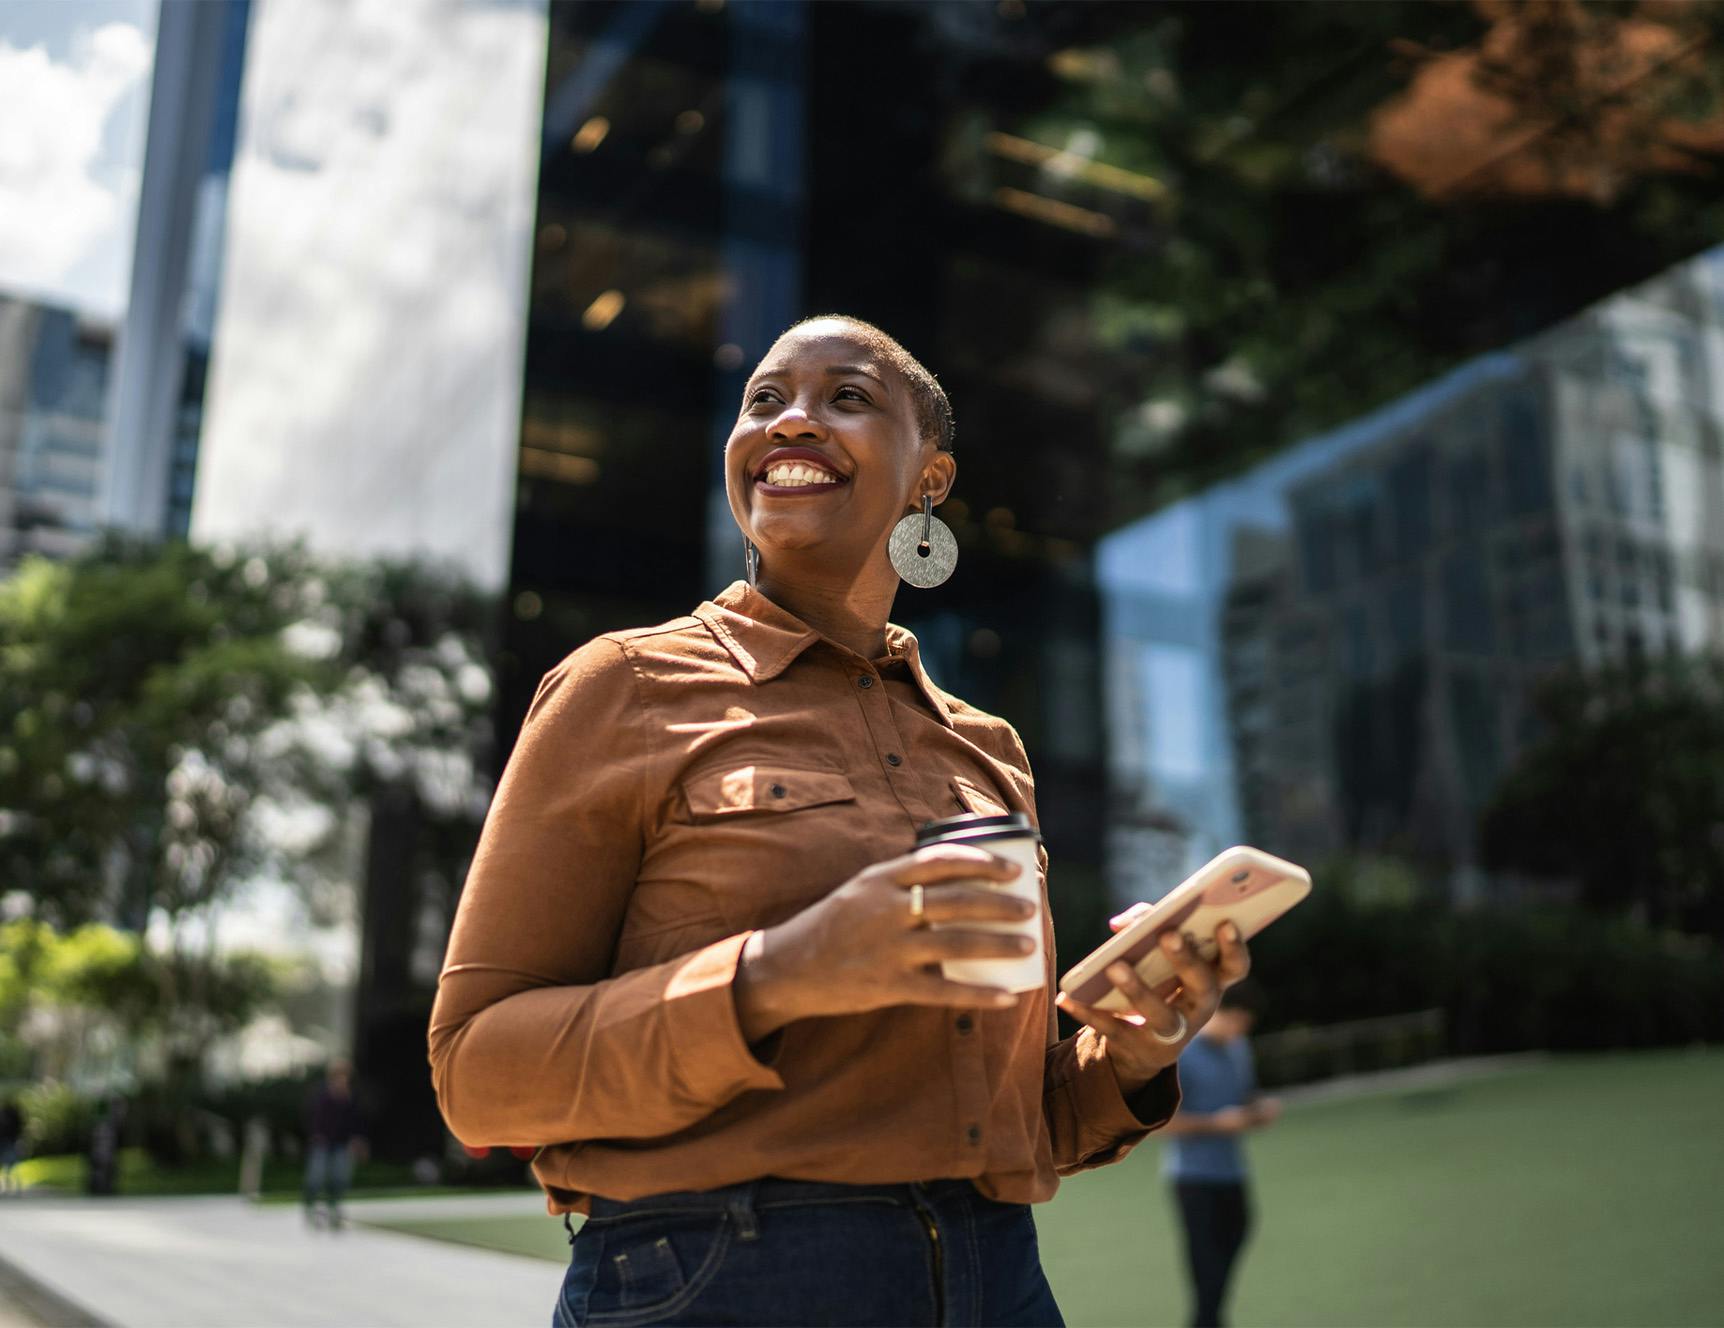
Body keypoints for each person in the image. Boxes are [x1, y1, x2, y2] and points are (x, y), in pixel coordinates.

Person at [429, 315, 1253, 1327]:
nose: (792, 421)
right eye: (764, 400)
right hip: (717, 1275)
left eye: (845, 397)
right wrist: (781, 970)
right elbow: (477, 1072)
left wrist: (1125, 1053)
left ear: (930, 479)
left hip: (998, 1276)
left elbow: (1001, 1120)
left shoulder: (987, 749)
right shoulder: (622, 685)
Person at [1159, 981, 1281, 1328]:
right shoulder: (1182, 1055)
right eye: (1234, 1023)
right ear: (1215, 1014)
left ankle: (1208, 1319)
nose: (1238, 1031)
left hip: (1232, 1172)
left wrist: (1258, 1109)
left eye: (1244, 1026)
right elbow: (1161, 1125)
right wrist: (1216, 1124)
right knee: (1206, 1269)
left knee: (1237, 1235)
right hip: (1192, 1177)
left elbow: (1244, 1096)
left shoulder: (1238, 1048)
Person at [302, 1059, 364, 1229]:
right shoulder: (322, 1094)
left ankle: (333, 1207)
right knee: (316, 1177)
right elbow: (313, 1116)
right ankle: (310, 1206)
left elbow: (356, 1120)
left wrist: (356, 1138)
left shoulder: (351, 1096)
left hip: (341, 1143)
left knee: (340, 1177)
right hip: (322, 1142)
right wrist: (315, 1134)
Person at [0, 1097, 22, 1195]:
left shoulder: (9, 1116)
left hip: (9, 1142)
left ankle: (13, 1186)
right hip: (6, 1142)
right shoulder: (9, 1115)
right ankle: (9, 1185)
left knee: (11, 1165)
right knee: (10, 1165)